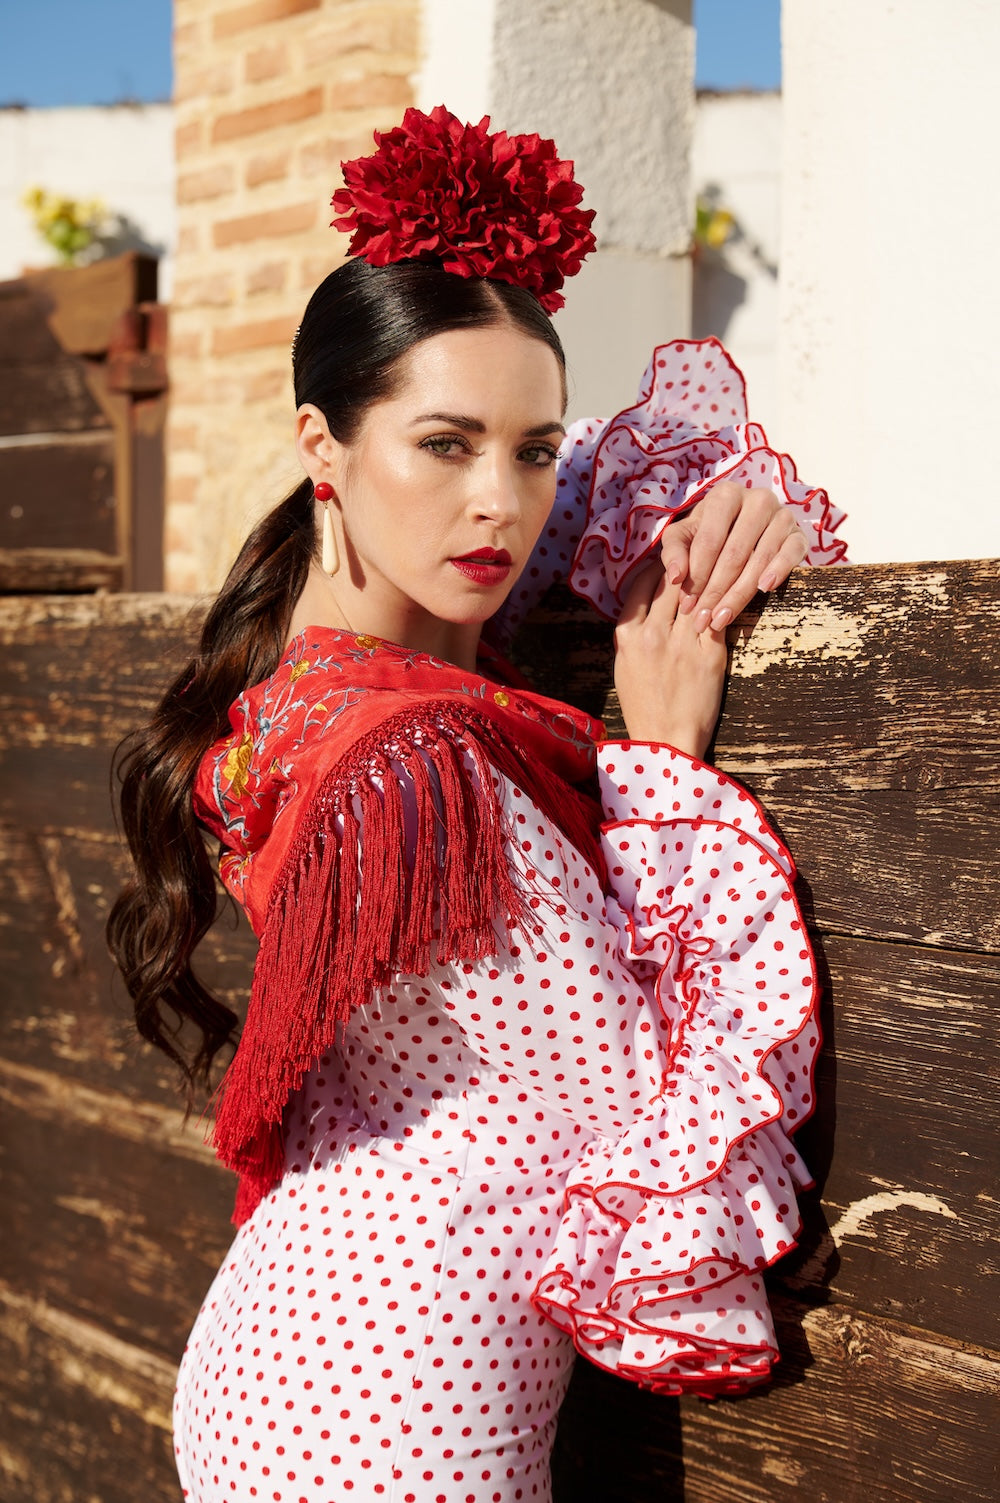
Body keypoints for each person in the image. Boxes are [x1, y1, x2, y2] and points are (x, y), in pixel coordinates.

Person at [108, 107, 844, 1503]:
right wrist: (666, 759)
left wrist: (733, 508)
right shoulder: (420, 757)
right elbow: (629, 1101)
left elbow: (601, 493)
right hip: (392, 1417)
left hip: (309, 1356)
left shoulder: (312, 675)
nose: (501, 505)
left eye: (533, 447)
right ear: (324, 445)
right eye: (445, 444)